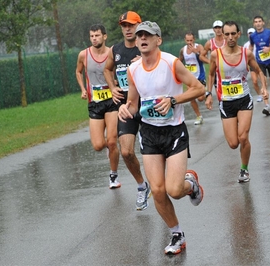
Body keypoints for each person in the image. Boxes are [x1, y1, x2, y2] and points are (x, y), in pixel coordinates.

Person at [118, 21, 204, 255]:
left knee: (174, 190)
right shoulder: (133, 70)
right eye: (139, 36)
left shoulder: (171, 63)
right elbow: (133, 104)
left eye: (148, 35)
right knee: (157, 190)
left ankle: (191, 184)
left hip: (174, 132)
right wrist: (125, 109)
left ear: (159, 40)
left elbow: (199, 88)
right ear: (135, 42)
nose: (142, 39)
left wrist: (174, 100)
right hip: (150, 134)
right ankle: (177, 233)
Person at [205, 20, 269, 183]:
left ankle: (244, 170)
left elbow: (258, 71)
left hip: (244, 100)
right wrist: (208, 94)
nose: (230, 37)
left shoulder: (246, 53)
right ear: (222, 35)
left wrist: (264, 88)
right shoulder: (215, 55)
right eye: (227, 34)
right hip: (226, 102)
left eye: (233, 33)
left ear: (238, 34)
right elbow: (212, 74)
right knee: (233, 143)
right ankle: (242, 162)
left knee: (243, 137)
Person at [103, 11, 151, 210]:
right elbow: (107, 69)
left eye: (131, 25)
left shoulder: (147, 48)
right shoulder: (115, 50)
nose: (128, 29)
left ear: (139, 26)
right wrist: (112, 88)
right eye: (124, 25)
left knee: (153, 153)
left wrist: (143, 63)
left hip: (148, 106)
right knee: (126, 151)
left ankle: (161, 182)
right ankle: (142, 185)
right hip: (126, 107)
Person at [75, 24, 120, 188]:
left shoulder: (112, 52)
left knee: (113, 141)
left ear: (105, 36)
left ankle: (113, 175)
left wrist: (117, 83)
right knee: (98, 145)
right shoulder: (83, 55)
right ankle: (109, 148)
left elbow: (122, 69)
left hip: (112, 101)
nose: (94, 38)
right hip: (95, 102)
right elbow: (78, 71)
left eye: (97, 35)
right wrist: (82, 89)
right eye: (92, 36)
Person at [249, 15, 270, 116]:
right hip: (260, 62)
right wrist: (248, 56)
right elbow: (251, 46)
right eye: (256, 22)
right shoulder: (252, 36)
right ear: (254, 24)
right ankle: (267, 106)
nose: (258, 23)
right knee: (264, 84)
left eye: (259, 21)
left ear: (263, 23)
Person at [178, 32, 207, 125]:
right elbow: (179, 61)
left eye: (191, 40)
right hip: (189, 78)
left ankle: (206, 94)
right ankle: (199, 116)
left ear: (194, 39)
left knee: (201, 98)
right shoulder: (183, 50)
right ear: (185, 40)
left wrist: (197, 52)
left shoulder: (199, 47)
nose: (189, 42)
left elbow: (204, 57)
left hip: (200, 75)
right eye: (187, 40)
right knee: (191, 97)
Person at [200, 20, 225, 91]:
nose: (218, 30)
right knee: (219, 93)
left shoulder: (227, 41)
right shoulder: (209, 43)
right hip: (216, 71)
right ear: (213, 29)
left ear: (223, 28)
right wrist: (210, 62)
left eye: (219, 27)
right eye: (216, 28)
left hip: (227, 70)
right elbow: (201, 56)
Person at [243, 28, 262, 103]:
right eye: (249, 33)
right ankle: (260, 95)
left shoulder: (258, 42)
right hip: (252, 64)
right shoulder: (246, 45)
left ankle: (264, 93)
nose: (250, 35)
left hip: (260, 63)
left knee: (262, 80)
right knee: (254, 81)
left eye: (252, 33)